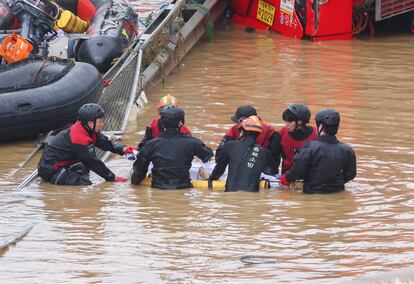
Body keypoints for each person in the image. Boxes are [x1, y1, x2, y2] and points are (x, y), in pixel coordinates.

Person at [38, 103, 134, 185]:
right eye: (100, 121)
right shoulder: (79, 138)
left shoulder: (86, 129)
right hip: (51, 171)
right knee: (86, 184)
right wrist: (112, 178)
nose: (102, 124)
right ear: (90, 123)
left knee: (83, 167)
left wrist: (123, 149)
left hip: (63, 164)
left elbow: (104, 142)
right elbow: (92, 161)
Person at [131, 105, 213, 189]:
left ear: (162, 123)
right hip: (183, 189)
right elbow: (208, 155)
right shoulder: (192, 142)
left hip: (158, 190)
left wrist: (134, 183)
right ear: (181, 123)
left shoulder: (150, 145)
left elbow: (138, 171)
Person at [279, 108, 357, 194]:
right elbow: (351, 174)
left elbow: (298, 170)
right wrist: (337, 182)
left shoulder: (309, 147)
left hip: (311, 195)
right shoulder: (347, 150)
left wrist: (286, 178)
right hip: (337, 192)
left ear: (320, 126)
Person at [209, 115, 278, 192]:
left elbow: (220, 169)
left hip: (230, 195)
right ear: (258, 134)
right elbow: (273, 171)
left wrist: (211, 179)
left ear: (242, 131)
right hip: (252, 197)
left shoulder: (229, 145)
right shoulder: (264, 152)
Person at [216, 104, 282, 169]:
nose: (237, 125)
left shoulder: (271, 133)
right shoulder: (233, 131)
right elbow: (219, 155)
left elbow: (275, 160)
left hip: (260, 169)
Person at [278, 103, 318, 174]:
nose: (286, 124)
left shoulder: (316, 135)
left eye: (289, 121)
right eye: (285, 121)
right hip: (286, 176)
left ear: (300, 122)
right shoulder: (281, 133)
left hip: (308, 177)